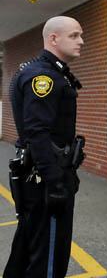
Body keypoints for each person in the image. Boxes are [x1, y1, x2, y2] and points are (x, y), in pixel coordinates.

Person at [4, 16, 86, 278]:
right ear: (53, 38)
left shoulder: (49, 71)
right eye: (74, 35)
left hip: (38, 176)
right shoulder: (43, 77)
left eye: (80, 35)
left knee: (28, 249)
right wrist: (55, 183)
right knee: (49, 258)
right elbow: (37, 132)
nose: (81, 41)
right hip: (44, 181)